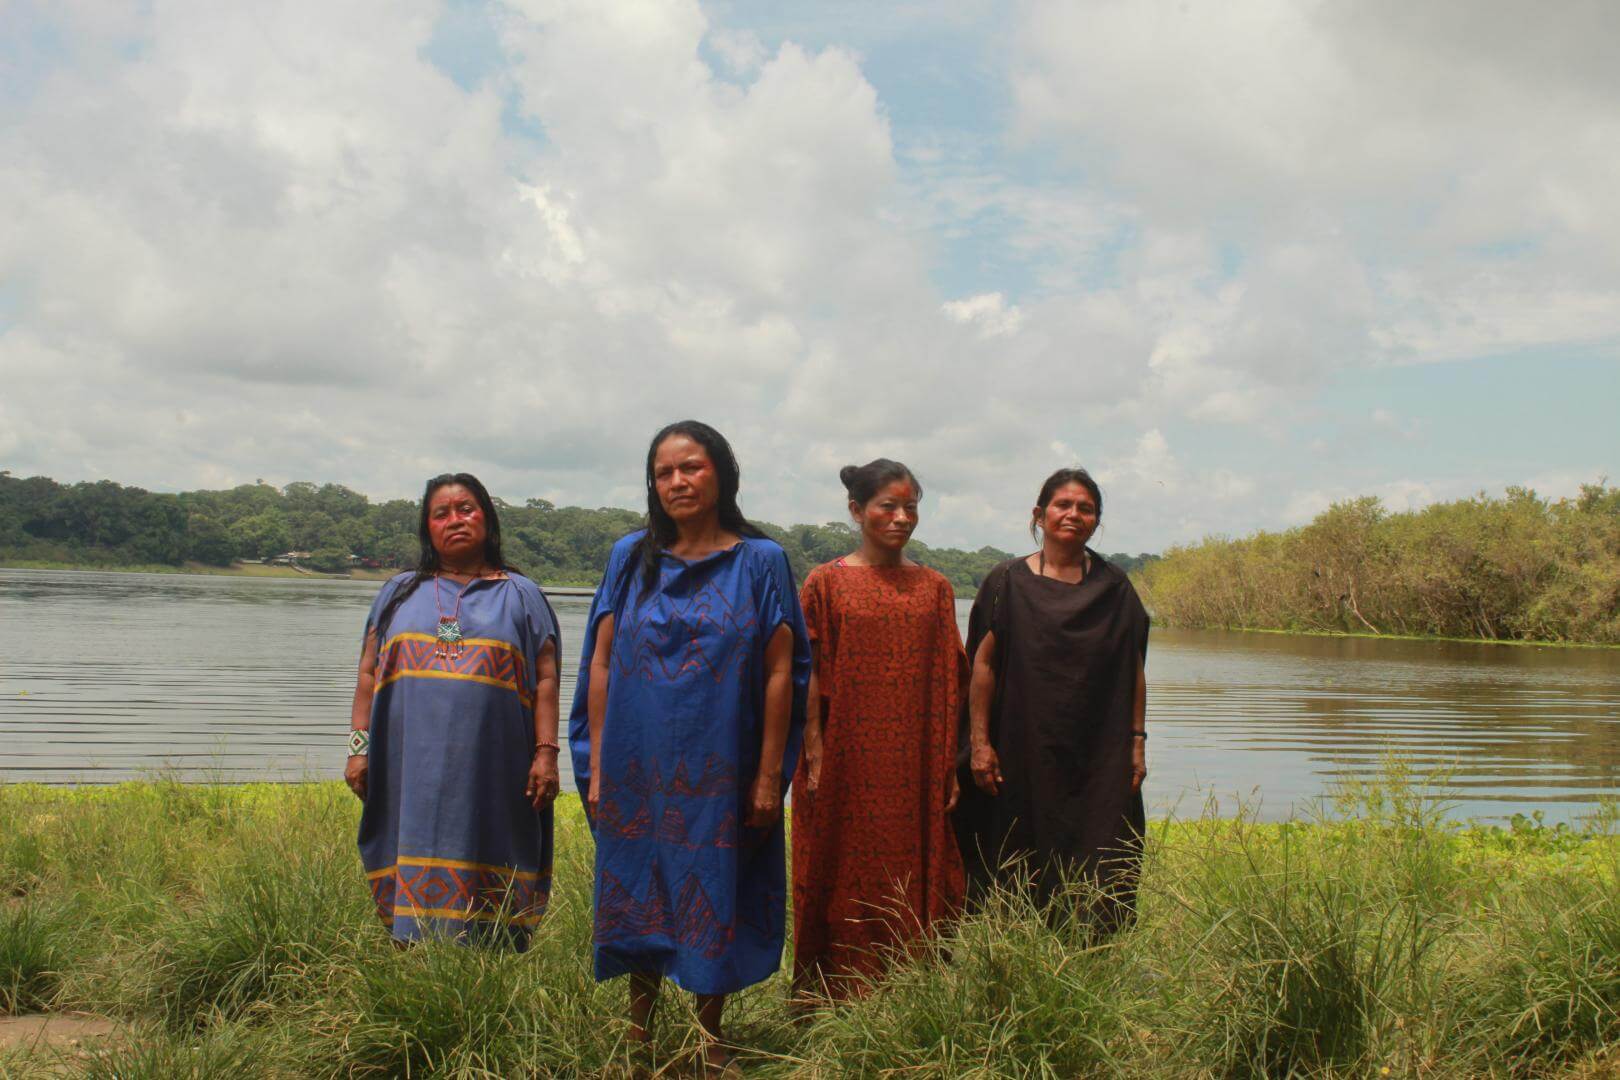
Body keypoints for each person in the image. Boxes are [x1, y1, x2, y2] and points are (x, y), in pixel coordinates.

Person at [570, 421, 810, 1070]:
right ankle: (639, 1041)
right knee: (638, 892)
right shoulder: (630, 557)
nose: (677, 481)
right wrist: (596, 765)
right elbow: (599, 661)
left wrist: (768, 777)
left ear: (722, 474)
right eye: (664, 471)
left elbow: (782, 671)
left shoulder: (761, 562)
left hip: (721, 767)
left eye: (691, 467)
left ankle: (709, 1043)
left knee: (714, 891)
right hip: (635, 764)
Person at [345, 473, 562, 948]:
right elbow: (367, 673)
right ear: (428, 529)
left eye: (466, 508)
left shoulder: (522, 595)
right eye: (441, 514)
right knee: (409, 848)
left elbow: (546, 679)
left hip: (493, 766)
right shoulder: (398, 594)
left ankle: (489, 964)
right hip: (409, 768)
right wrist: (359, 749)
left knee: (493, 845)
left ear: (487, 517)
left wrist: (546, 753)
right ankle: (411, 960)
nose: (455, 520)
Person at [791, 459, 966, 1001]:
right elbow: (808, 671)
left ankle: (912, 994)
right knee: (838, 869)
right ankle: (833, 995)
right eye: (887, 505)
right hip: (845, 760)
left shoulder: (934, 588)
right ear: (856, 510)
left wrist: (947, 762)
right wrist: (816, 754)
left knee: (914, 871)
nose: (900, 517)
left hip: (913, 763)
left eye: (910, 506)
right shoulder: (826, 582)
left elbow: (948, 681)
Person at [952, 467, 1149, 931]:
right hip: (1020, 743)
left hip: (1097, 750)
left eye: (1085, 508)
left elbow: (1133, 669)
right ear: (1039, 514)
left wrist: (1137, 740)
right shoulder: (1006, 581)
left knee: (1102, 847)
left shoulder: (1115, 587)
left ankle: (1091, 953)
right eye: (1063, 505)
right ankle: (1008, 944)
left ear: (1096, 521)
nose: (1073, 515)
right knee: (1014, 843)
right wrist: (979, 744)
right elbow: (982, 666)